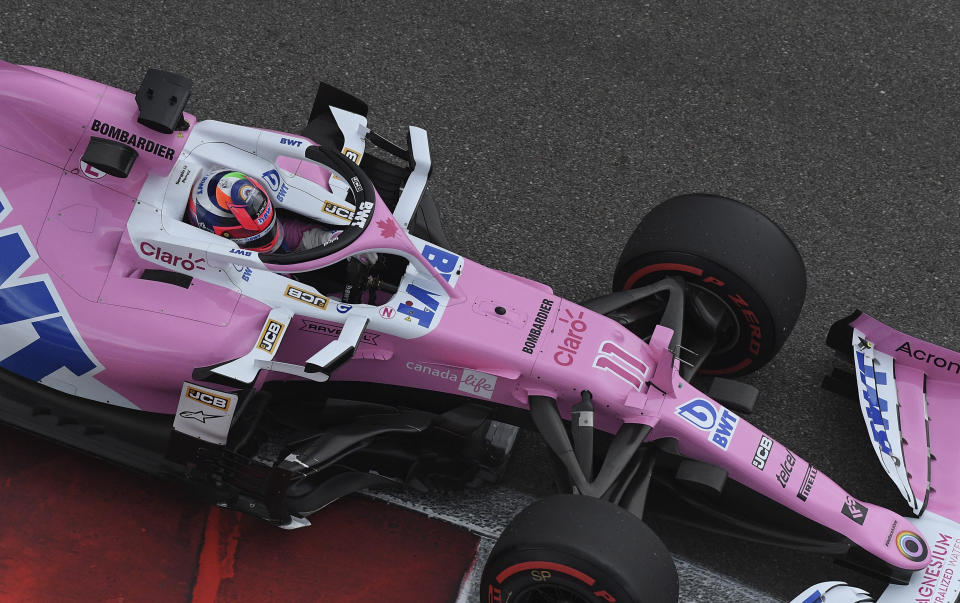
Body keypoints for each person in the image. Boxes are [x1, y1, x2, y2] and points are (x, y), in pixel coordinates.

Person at [188, 169, 342, 252]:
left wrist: (334, 239)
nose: (269, 237)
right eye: (247, 233)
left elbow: (302, 236)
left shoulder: (275, 230)